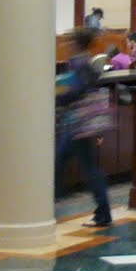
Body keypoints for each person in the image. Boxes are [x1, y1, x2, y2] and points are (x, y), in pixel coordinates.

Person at [54, 27, 112, 228]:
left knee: (62, 164)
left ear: (76, 43)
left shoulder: (79, 63)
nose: (66, 45)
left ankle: (103, 213)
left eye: (69, 42)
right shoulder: (88, 62)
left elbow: (78, 90)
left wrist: (59, 96)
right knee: (85, 167)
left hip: (78, 125)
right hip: (85, 125)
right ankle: (103, 212)